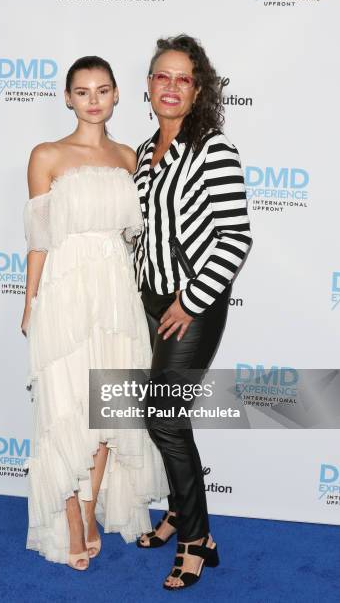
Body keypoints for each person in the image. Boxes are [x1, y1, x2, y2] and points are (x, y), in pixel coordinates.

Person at [21, 56, 168, 571]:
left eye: (102, 90)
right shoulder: (47, 155)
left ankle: (90, 505)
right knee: (64, 410)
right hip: (65, 293)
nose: (93, 99)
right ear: (67, 97)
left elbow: (141, 238)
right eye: (82, 91)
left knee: (106, 409)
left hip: (115, 293)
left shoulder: (130, 157)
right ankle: (69, 520)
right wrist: (29, 302)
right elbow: (38, 240)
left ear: (116, 95)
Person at [133, 35, 252, 590]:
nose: (171, 86)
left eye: (183, 78)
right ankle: (181, 512)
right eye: (163, 76)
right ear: (149, 85)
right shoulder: (142, 152)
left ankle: (196, 537)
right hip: (153, 299)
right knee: (162, 418)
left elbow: (234, 237)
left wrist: (190, 299)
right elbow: (145, 233)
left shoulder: (213, 149)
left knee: (165, 419)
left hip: (193, 302)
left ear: (198, 88)